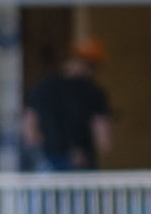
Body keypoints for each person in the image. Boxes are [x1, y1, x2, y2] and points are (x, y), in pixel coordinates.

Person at [23, 37, 112, 172]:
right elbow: (103, 140)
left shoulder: (41, 88)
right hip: (80, 162)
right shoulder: (93, 93)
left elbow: (30, 132)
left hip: (47, 163)